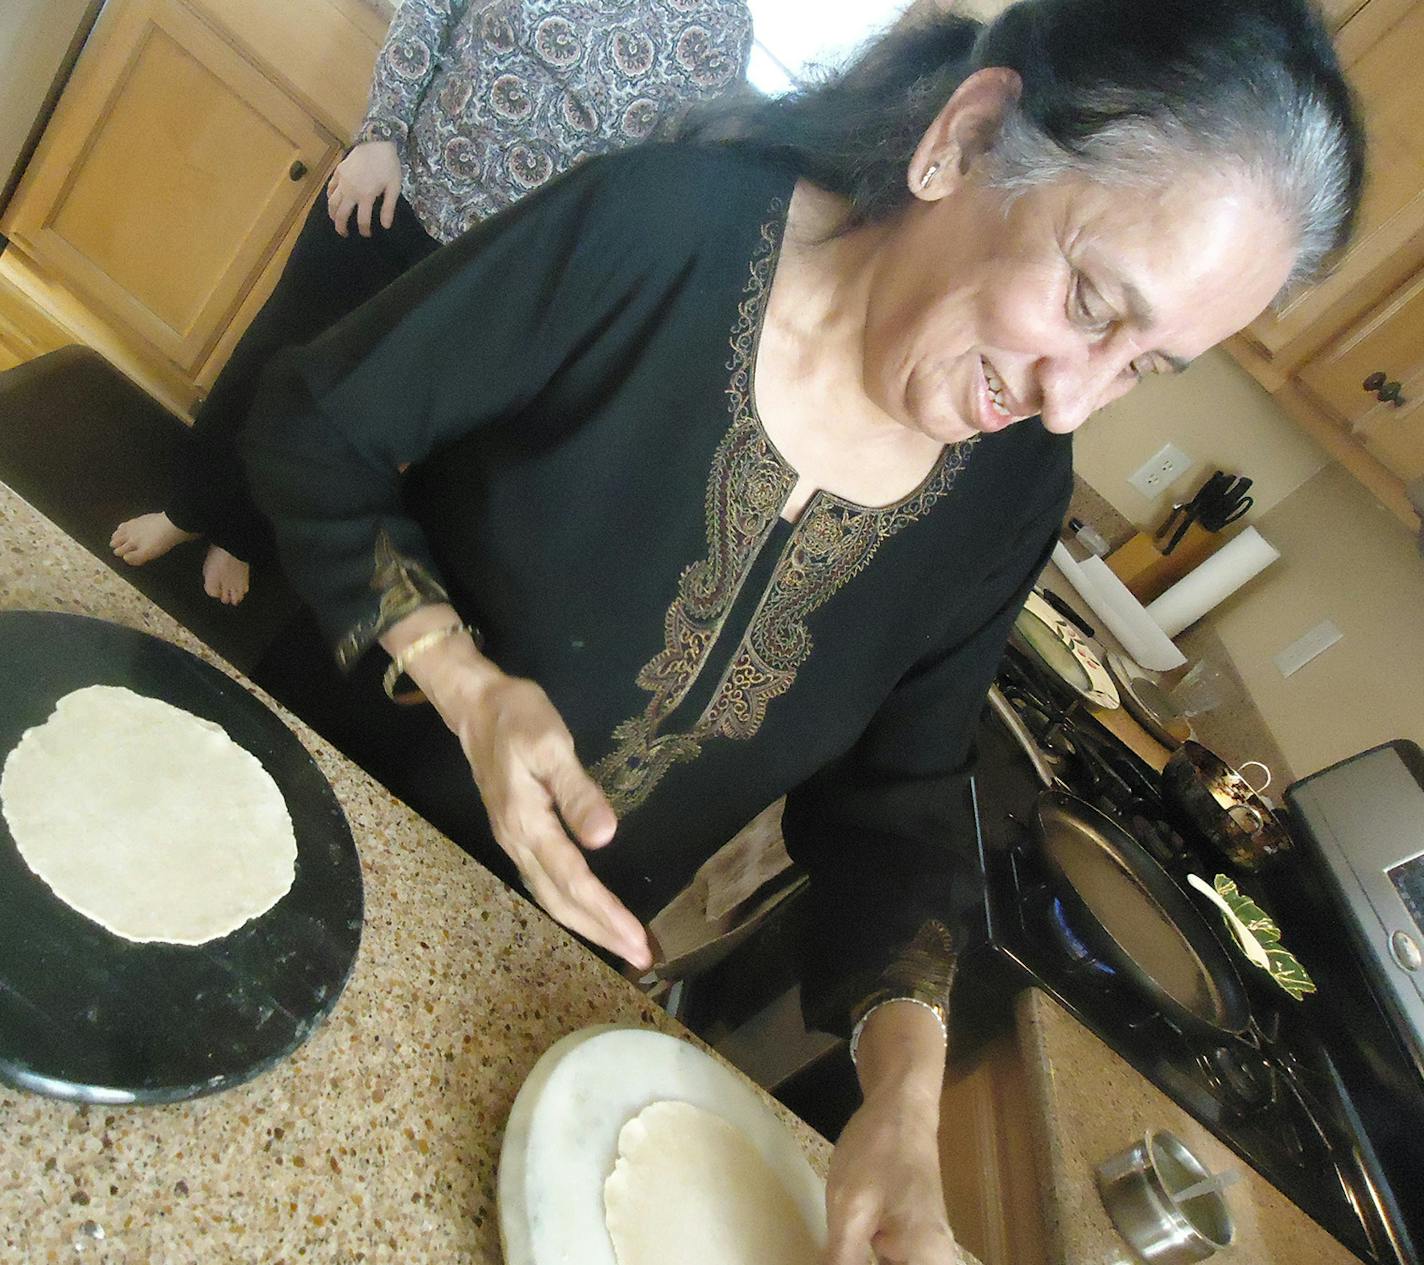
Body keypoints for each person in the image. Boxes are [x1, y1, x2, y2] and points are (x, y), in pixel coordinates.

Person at [242, 0, 1363, 1260]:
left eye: (1144, 367)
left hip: (500, 983)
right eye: (1092, 302)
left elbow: (897, 799)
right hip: (286, 820)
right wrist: (453, 671)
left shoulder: (1009, 496)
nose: (1070, 401)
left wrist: (903, 1095)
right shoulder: (663, 227)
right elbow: (311, 429)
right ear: (968, 133)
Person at [109, 0, 753, 605]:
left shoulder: (719, 32)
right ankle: (189, 510)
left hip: (489, 273)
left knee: (352, 420)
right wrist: (379, 136)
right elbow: (430, 9)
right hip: (392, 191)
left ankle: (244, 533)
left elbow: (654, 186)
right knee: (275, 354)